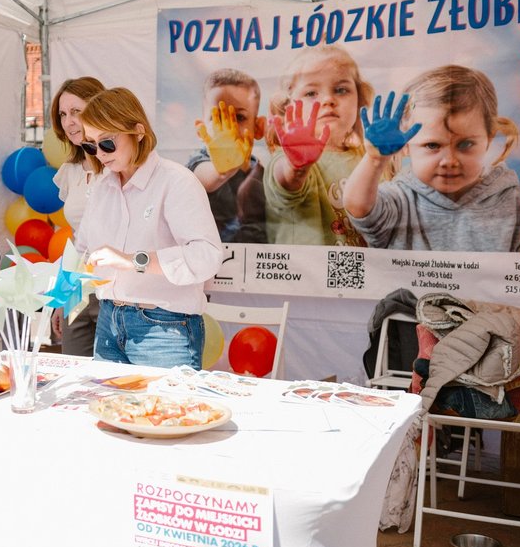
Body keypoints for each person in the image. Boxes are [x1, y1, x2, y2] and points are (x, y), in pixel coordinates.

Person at [75, 87, 223, 370]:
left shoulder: (176, 182)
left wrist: (133, 260)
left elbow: (206, 256)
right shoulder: (101, 187)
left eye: (107, 142)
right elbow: (82, 251)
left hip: (164, 329)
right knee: (108, 411)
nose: (100, 154)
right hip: (108, 320)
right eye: (90, 145)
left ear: (138, 131)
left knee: (166, 414)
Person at [343, 65, 520, 251]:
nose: (449, 160)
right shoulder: (399, 199)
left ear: (489, 139)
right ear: (406, 146)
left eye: (465, 144)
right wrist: (375, 160)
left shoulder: (517, 204)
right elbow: (357, 207)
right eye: (432, 146)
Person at [263, 45, 374, 246]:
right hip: (308, 273)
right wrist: (297, 167)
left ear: (359, 101)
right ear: (289, 107)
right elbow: (285, 184)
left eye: (341, 90)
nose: (328, 100)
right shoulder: (286, 158)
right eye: (311, 93)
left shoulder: (370, 157)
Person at [48, 76, 106, 357]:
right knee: (74, 376)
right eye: (62, 114)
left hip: (114, 293)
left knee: (115, 382)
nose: (68, 122)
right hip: (76, 292)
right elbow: (75, 240)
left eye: (76, 112)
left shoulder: (120, 167)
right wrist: (60, 299)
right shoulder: (69, 171)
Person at [187, 68, 268, 243]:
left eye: (239, 117)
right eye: (218, 118)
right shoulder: (199, 162)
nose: (228, 128)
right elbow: (203, 179)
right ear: (201, 130)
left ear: (259, 127)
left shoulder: (259, 168)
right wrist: (222, 171)